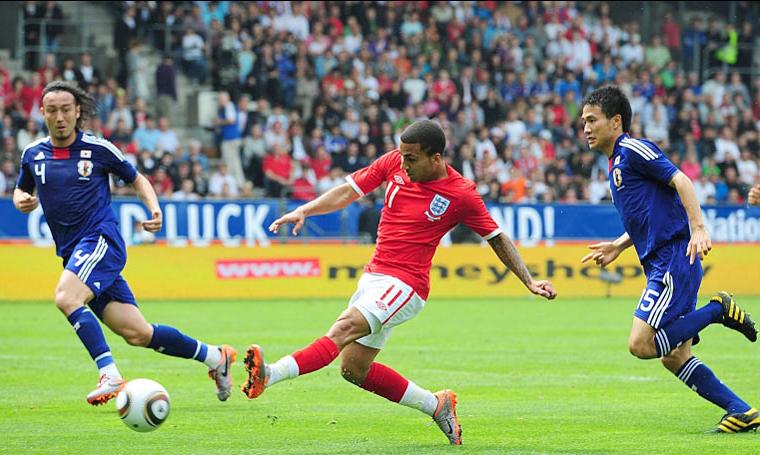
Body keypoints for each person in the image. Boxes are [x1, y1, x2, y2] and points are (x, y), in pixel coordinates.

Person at [240, 120, 557, 445]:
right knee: (353, 369)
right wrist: (305, 210)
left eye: (411, 159)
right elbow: (350, 190)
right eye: (402, 156)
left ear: (436, 158)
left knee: (344, 327)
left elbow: (497, 237)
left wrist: (529, 281)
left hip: (406, 285)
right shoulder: (395, 161)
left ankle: (271, 373)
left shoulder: (462, 194)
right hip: (374, 277)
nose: (403, 164)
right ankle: (436, 405)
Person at [12, 81, 236, 406]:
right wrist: (21, 198)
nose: (59, 117)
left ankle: (109, 373)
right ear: (43, 113)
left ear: (78, 112)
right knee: (138, 333)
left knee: (65, 296)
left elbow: (136, 178)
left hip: (101, 241)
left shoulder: (99, 149)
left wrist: (154, 208)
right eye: (52, 110)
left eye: (65, 109)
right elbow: (23, 187)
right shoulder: (34, 154)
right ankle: (216, 358)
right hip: (76, 254)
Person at [579, 86, 758, 433]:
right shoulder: (615, 163)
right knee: (674, 355)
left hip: (673, 258)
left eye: (591, 120)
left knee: (641, 344)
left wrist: (698, 228)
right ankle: (742, 410)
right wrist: (618, 245)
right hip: (666, 259)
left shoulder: (632, 149)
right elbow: (652, 215)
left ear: (615, 121)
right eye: (583, 121)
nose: (585, 128)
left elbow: (682, 180)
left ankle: (717, 309)